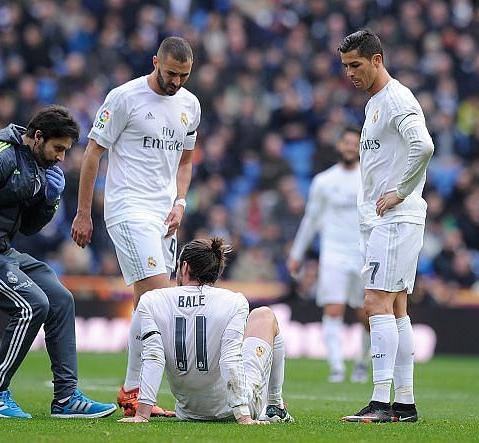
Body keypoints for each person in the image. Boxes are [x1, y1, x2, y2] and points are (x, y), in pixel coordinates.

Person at [0, 105, 116, 419]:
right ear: (37, 137)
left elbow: (27, 227)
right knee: (32, 304)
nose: (62, 158)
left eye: (66, 151)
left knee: (61, 299)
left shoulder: (35, 163)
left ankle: (66, 398)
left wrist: (50, 198)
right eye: (58, 149)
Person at [71, 36, 201, 417]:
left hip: (165, 217)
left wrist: (181, 202)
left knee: (146, 304)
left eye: (185, 75)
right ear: (155, 61)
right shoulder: (124, 97)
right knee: (162, 300)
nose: (177, 82)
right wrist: (83, 213)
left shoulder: (190, 105)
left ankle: (131, 392)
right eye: (172, 73)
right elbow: (93, 152)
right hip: (128, 209)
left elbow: (186, 162)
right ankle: (173, 392)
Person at [338, 30, 434, 423]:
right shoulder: (375, 103)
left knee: (375, 302)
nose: (350, 74)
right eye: (345, 67)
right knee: (396, 308)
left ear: (377, 60)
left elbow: (423, 145)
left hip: (396, 217)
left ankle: (380, 401)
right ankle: (405, 404)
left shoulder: (396, 99)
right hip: (385, 221)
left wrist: (400, 191)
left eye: (356, 65)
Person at [118, 238, 294, 425]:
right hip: (236, 408)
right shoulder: (233, 301)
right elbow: (230, 358)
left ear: (184, 267)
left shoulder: (152, 300)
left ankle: (272, 405)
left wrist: (142, 414)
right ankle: (275, 405)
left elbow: (153, 357)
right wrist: (243, 416)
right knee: (264, 315)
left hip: (189, 411)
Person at [287, 127, 370, 384]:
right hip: (333, 254)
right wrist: (297, 253)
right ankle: (336, 367)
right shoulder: (324, 181)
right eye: (346, 143)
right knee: (332, 309)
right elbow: (311, 220)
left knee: (366, 314)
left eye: (354, 144)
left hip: (362, 254)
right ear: (339, 145)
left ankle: (361, 362)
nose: (349, 148)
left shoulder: (369, 178)